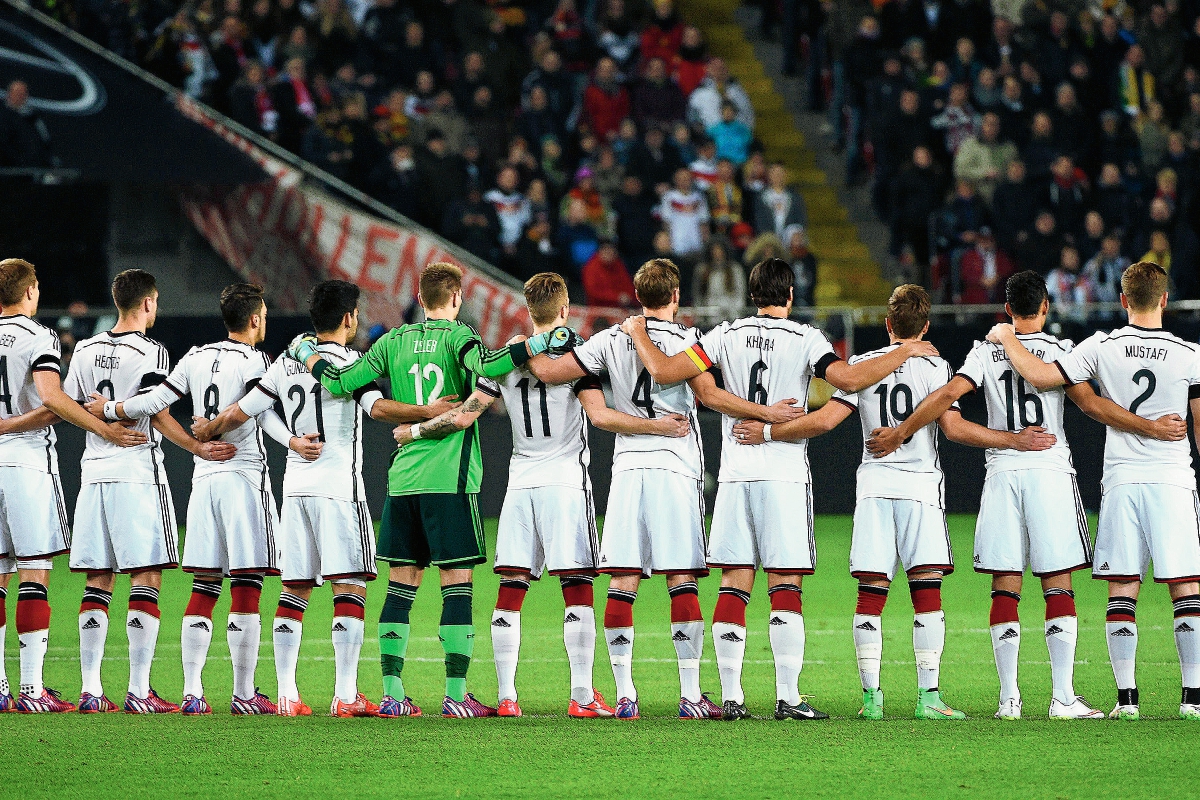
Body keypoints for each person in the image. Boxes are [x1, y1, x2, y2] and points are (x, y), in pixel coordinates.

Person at [869, 271, 1187, 720]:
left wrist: (902, 430)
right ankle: (1061, 698)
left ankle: (1009, 700)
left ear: (1007, 311)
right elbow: (1090, 404)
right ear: (1045, 308)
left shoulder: (984, 352)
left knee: (1005, 585)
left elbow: (947, 396)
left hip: (1002, 473)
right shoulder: (1061, 352)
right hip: (1049, 472)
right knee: (1057, 582)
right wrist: (1151, 429)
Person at [732, 285, 1037, 722]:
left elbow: (824, 421)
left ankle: (872, 697)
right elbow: (954, 429)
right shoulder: (936, 367)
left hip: (873, 487)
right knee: (926, 592)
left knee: (870, 594)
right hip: (920, 487)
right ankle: (928, 697)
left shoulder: (860, 366)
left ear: (888, 325)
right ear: (925, 327)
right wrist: (1013, 441)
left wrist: (766, 432)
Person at [289, 264, 575, 718]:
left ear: (420, 299)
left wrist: (309, 354)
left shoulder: (392, 341)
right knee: (456, 586)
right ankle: (457, 696)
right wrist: (539, 343)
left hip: (402, 482)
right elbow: (489, 368)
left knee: (400, 586)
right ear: (456, 299)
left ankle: (392, 695)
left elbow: (341, 383)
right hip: (450, 480)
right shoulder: (461, 339)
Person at [522, 258, 800, 720]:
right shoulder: (689, 340)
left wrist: (524, 344)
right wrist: (767, 412)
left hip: (629, 467)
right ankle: (690, 694)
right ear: (675, 297)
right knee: (681, 578)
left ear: (638, 296)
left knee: (623, 578)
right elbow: (710, 397)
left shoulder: (609, 338)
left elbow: (548, 373)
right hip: (675, 466)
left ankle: (626, 693)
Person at [198, 280, 456, 716]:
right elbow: (377, 408)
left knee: (294, 591)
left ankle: (286, 695)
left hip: (294, 490)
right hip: (339, 490)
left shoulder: (285, 362)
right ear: (349, 318)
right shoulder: (351, 364)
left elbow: (246, 410)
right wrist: (426, 412)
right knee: (349, 587)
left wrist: (207, 430)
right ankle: (346, 695)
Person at [986, 262, 1200, 721]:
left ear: (1123, 300)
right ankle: (1193, 699)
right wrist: (1160, 430)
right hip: (1173, 479)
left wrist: (1006, 337)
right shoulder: (1190, 353)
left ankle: (1127, 701)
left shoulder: (1101, 346)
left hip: (1123, 479)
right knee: (1186, 587)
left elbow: (1043, 378)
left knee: (1122, 588)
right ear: (1164, 299)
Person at [84, 284, 298, 715]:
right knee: (247, 585)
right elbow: (261, 410)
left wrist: (109, 410)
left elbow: (156, 401)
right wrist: (292, 441)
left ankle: (193, 692)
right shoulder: (257, 360)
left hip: (203, 484)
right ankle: (243, 695)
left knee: (204, 585)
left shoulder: (196, 355)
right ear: (255, 318)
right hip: (242, 475)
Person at [485, 273, 689, 717]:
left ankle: (506, 697)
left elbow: (472, 403)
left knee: (510, 588)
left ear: (528, 309)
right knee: (576, 588)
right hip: (564, 482)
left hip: (519, 481)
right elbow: (600, 416)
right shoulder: (574, 356)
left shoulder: (505, 360)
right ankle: (581, 696)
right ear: (563, 310)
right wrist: (659, 426)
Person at [65, 270, 233, 714]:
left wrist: (102, 427)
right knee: (147, 576)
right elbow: (155, 411)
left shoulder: (83, 349)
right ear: (147, 304)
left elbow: (69, 404)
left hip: (92, 473)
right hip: (137, 473)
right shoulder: (150, 349)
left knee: (97, 577)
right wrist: (196, 445)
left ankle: (90, 690)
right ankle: (139, 691)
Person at [0, 259, 148, 713]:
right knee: (34, 570)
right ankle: (31, 690)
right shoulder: (37, 337)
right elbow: (50, 399)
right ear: (29, 292)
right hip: (25, 461)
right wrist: (102, 428)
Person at [753, 162, 808, 239]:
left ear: (785, 175)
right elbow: (759, 221)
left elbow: (801, 220)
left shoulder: (795, 197)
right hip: (768, 240)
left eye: (780, 173)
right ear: (769, 175)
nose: (777, 176)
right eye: (774, 173)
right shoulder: (761, 197)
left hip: (790, 241)